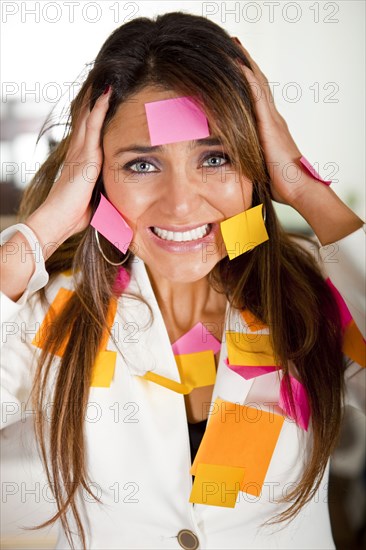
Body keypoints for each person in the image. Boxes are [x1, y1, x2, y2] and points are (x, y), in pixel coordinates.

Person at [0, 11, 365, 550]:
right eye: (141, 166)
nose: (180, 204)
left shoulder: (311, 293)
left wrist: (302, 184)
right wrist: (44, 227)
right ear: (97, 178)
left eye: (214, 157)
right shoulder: (53, 311)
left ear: (255, 163)